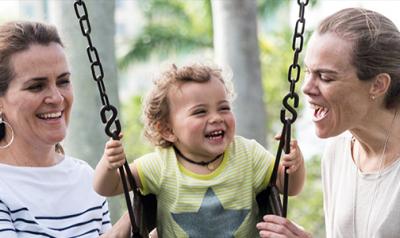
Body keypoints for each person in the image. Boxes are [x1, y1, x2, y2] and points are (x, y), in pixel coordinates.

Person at [93, 63, 306, 237]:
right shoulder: (160, 165)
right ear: (167, 130)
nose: (216, 118)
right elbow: (107, 187)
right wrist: (109, 163)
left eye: (224, 108)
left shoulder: (247, 154)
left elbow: (288, 187)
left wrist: (294, 164)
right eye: (200, 112)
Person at [256, 7, 400, 238]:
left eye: (325, 77)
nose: (306, 88)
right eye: (308, 72)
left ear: (378, 85)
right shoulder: (337, 153)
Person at [0, 21, 130, 237]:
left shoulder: (86, 178)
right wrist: (125, 224)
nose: (57, 98)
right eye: (36, 86)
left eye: (63, 81)